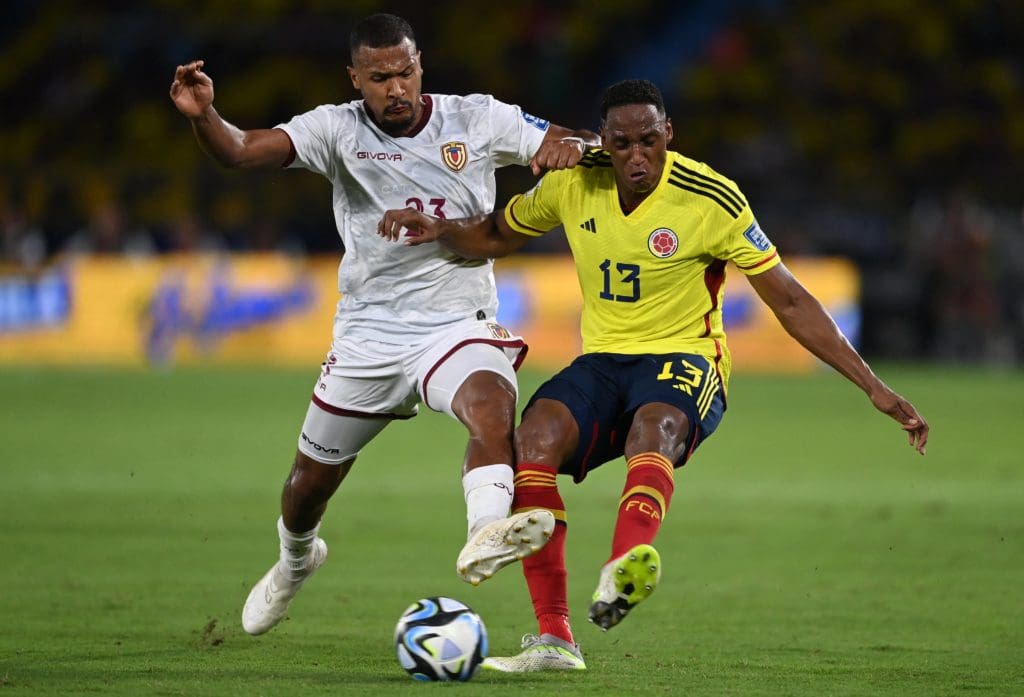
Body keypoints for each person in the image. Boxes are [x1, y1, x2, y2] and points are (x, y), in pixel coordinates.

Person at [378, 78, 930, 671]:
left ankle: (626, 564)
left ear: (669, 133)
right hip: (605, 360)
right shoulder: (572, 180)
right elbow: (496, 235)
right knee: (533, 438)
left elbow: (791, 301)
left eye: (649, 140)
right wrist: (441, 230)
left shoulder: (711, 198)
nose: (637, 156)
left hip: (686, 359)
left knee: (655, 428)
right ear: (604, 143)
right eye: (621, 144)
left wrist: (873, 386)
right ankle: (555, 639)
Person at [169, 13, 599, 637]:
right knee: (307, 484)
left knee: (490, 403)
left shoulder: (476, 118)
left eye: (405, 73)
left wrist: (572, 147)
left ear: (420, 66)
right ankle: (296, 560)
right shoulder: (335, 129)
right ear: (356, 79)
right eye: (379, 78)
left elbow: (579, 139)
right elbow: (240, 151)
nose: (395, 88)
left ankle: (486, 532)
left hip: (456, 320)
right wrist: (203, 115)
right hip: (369, 333)